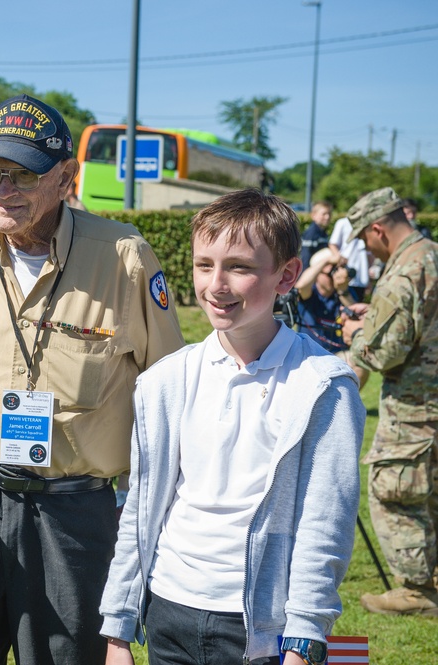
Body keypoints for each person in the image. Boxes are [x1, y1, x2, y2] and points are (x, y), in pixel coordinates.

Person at [0, 94, 184, 664]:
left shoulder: (123, 256)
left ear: (67, 177)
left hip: (74, 515)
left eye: (24, 173)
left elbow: (170, 399)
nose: (3, 188)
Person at [100, 189, 365, 665]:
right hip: (169, 612)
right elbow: (140, 505)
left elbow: (326, 522)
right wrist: (118, 629)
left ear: (286, 274)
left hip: (261, 629)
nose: (216, 284)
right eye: (205, 265)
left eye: (239, 267)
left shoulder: (325, 386)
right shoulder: (164, 381)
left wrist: (304, 638)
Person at [340, 187, 438, 616]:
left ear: (378, 229)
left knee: (395, 492)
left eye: (364, 239)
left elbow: (383, 353)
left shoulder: (402, 274)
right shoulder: (431, 253)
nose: (367, 249)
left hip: (417, 409)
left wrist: (355, 335)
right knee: (430, 493)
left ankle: (417, 591)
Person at [295, 246, 358, 354]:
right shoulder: (311, 292)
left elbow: (357, 316)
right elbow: (301, 286)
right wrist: (327, 260)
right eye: (330, 274)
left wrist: (342, 292)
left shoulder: (345, 292)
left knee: (358, 364)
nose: (334, 277)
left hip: (337, 354)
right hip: (308, 354)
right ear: (317, 274)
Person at [329, 211, 372, 301]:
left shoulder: (369, 223)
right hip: (346, 277)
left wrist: (368, 278)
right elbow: (333, 244)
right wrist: (339, 260)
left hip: (361, 278)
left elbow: (369, 255)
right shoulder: (343, 223)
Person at [300, 200, 332, 269]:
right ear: (313, 215)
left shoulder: (323, 232)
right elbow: (306, 256)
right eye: (324, 214)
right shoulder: (311, 233)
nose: (327, 217)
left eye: (329, 214)